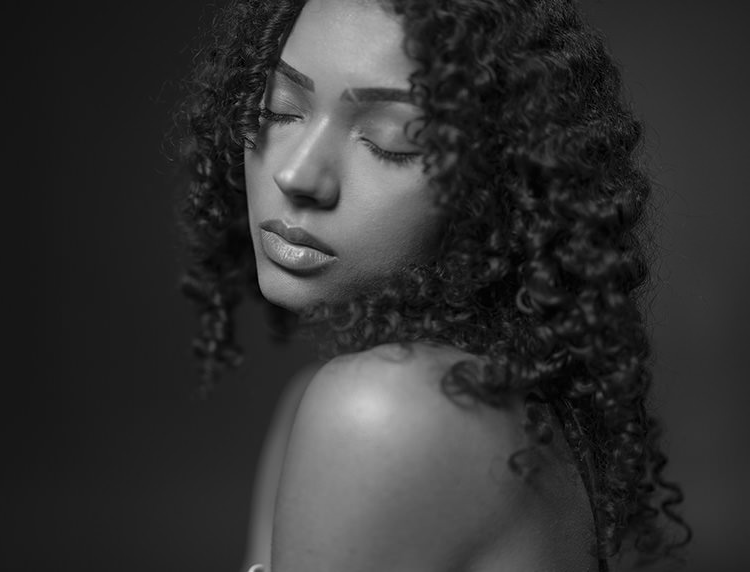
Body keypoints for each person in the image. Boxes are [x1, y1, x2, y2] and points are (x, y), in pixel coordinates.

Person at [175, 0, 691, 570]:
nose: (297, 175)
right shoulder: (345, 404)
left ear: (497, 182)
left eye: (390, 140)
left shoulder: (384, 411)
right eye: (280, 109)